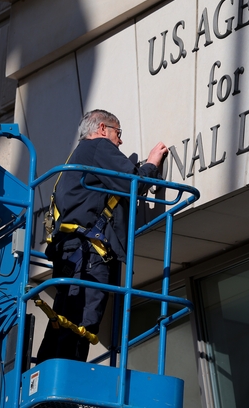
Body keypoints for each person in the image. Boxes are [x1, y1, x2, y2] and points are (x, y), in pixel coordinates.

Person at [37, 109, 168, 362]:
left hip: (71, 255)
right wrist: (151, 164)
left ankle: (43, 384)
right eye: (118, 133)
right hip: (88, 256)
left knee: (61, 323)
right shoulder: (97, 147)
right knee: (81, 325)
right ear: (102, 130)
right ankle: (65, 393)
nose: (120, 141)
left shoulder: (75, 161)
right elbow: (134, 183)